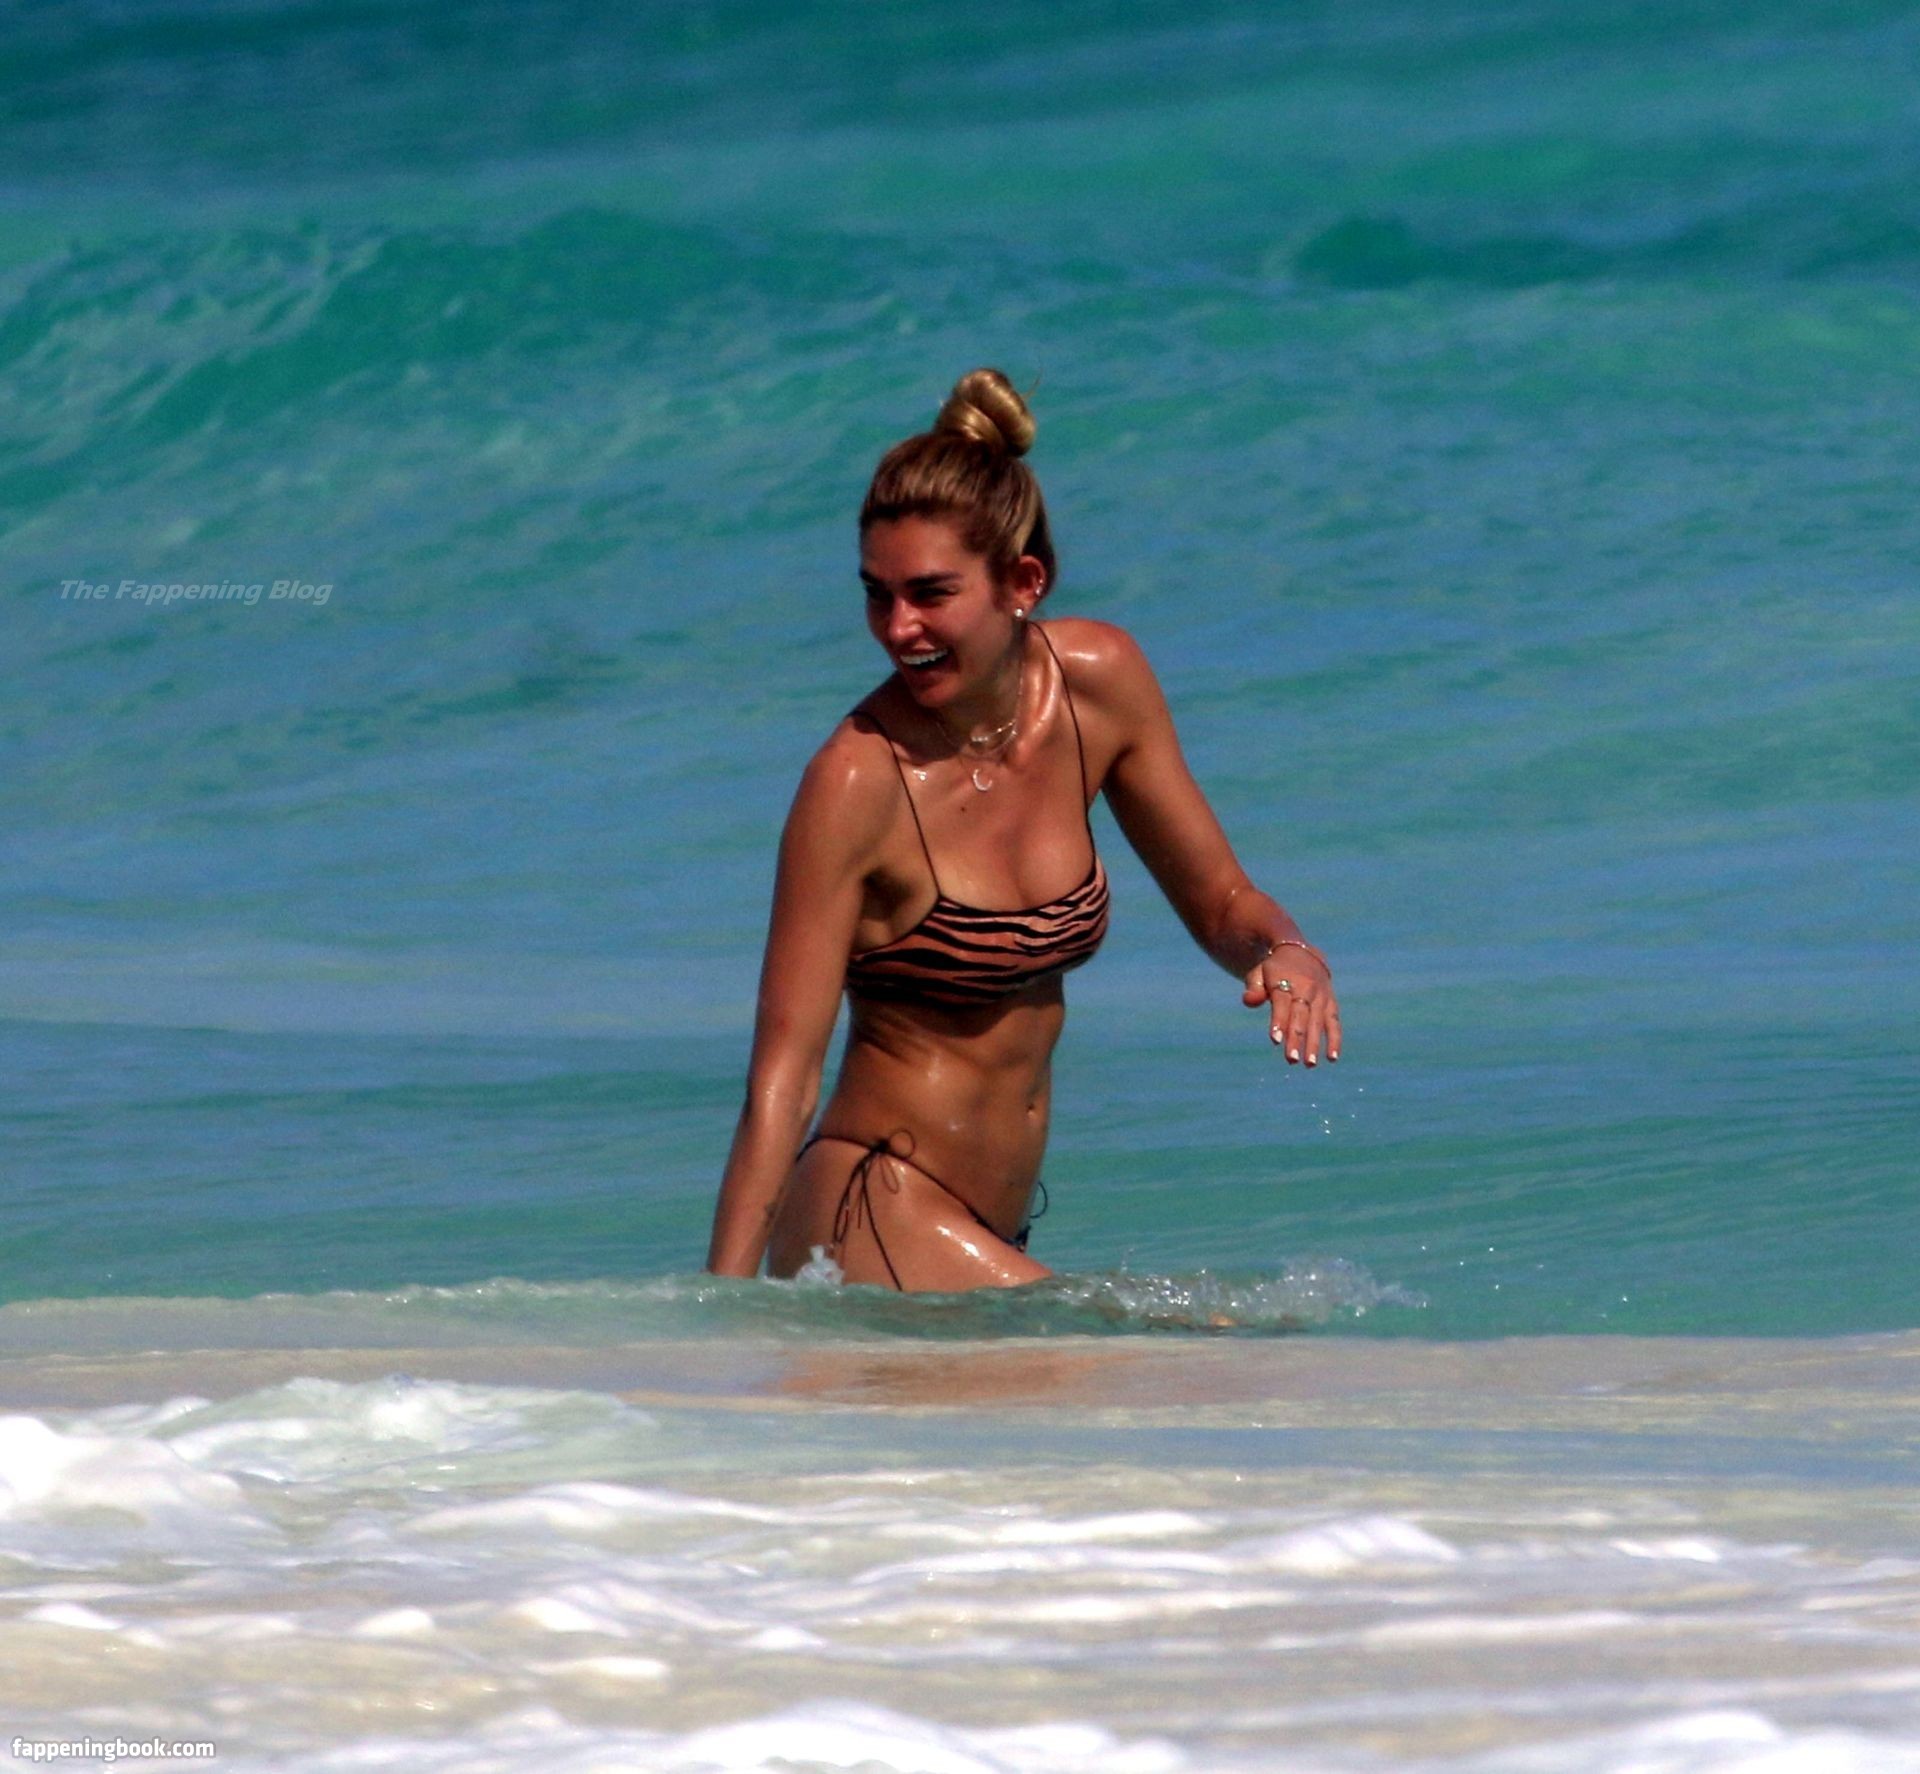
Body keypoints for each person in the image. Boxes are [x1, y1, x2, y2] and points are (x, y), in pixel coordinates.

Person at [705, 369, 1340, 1292]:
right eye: (877, 595)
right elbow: (782, 1084)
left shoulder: (1099, 686)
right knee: (1176, 1356)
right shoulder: (854, 781)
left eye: (930, 593)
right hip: (869, 1210)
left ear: (1023, 583)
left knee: (1194, 1357)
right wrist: (717, 1324)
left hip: (983, 1228)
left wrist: (1286, 950)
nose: (898, 628)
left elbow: (1222, 901)